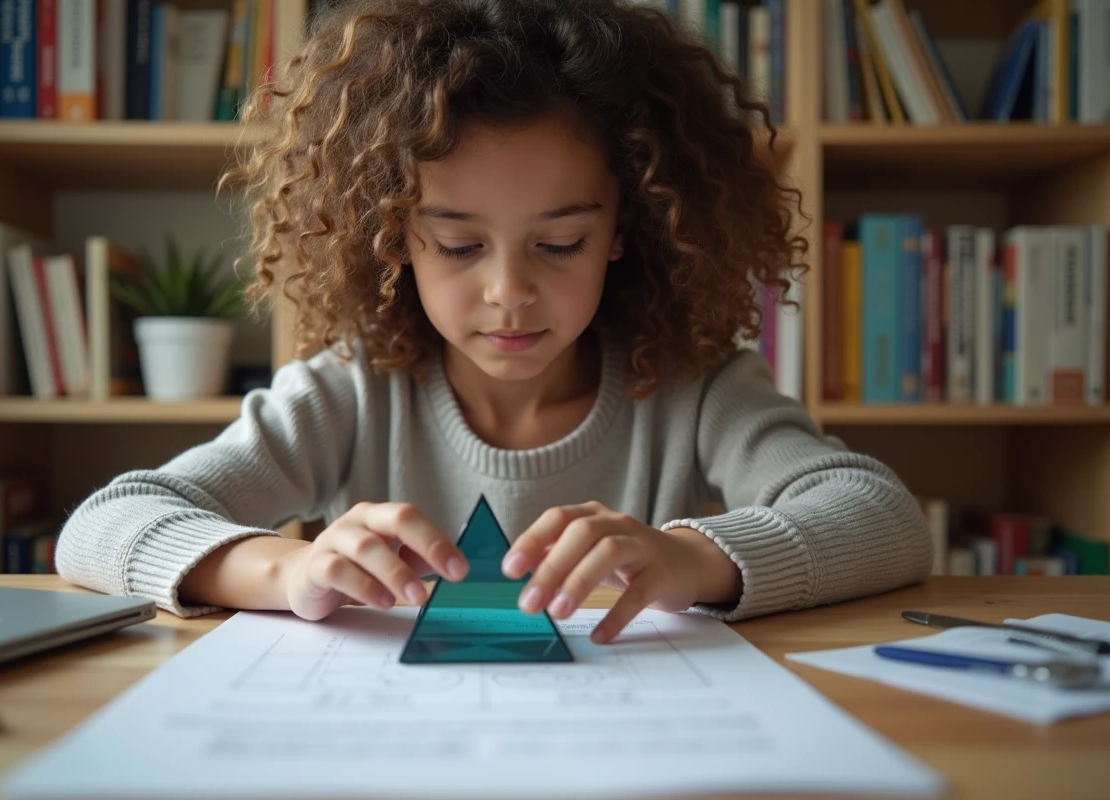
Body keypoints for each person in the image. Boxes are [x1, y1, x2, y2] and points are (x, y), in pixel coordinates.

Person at [56, 0, 931, 645]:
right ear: (395, 236)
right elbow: (104, 524)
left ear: (623, 231)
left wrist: (689, 559)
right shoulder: (353, 388)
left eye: (559, 244)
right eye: (458, 245)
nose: (509, 292)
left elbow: (883, 516)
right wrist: (286, 570)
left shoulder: (698, 384)